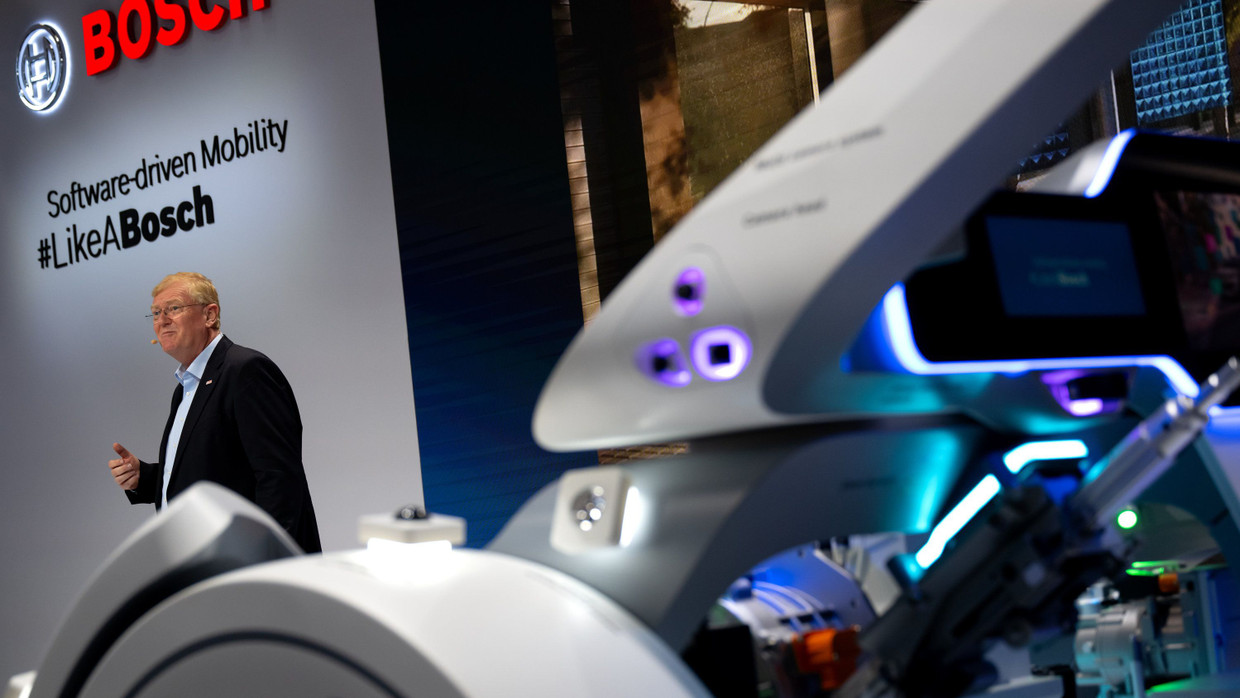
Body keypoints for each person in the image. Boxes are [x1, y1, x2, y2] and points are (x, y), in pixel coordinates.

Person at [108, 272, 322, 553]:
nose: (162, 320)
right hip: (200, 558)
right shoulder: (185, 388)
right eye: (156, 313)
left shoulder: (246, 370)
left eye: (173, 308)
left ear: (209, 315)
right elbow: (213, 470)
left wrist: (264, 556)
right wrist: (145, 477)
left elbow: (278, 476)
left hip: (245, 560)